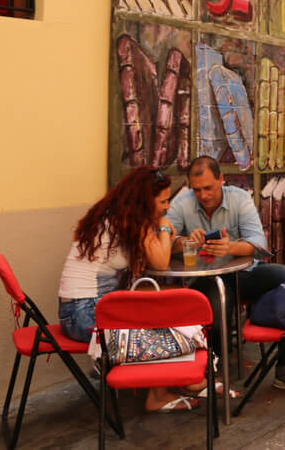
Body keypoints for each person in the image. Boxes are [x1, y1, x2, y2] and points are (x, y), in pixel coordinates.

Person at [165, 156, 285, 398]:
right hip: (206, 278)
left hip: (246, 272)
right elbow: (166, 243)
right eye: (197, 190)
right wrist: (184, 242)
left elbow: (258, 244)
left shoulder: (239, 198)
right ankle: (212, 374)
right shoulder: (182, 203)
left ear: (221, 180)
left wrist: (229, 248)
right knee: (215, 307)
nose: (203, 195)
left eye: (208, 188)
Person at [58, 167, 193, 413]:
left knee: (162, 300)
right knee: (162, 315)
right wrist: (163, 226)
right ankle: (170, 389)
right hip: (85, 316)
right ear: (144, 200)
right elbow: (161, 262)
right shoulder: (131, 219)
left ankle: (171, 385)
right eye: (163, 202)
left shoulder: (118, 213)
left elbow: (155, 255)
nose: (167, 208)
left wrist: (169, 238)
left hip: (78, 310)